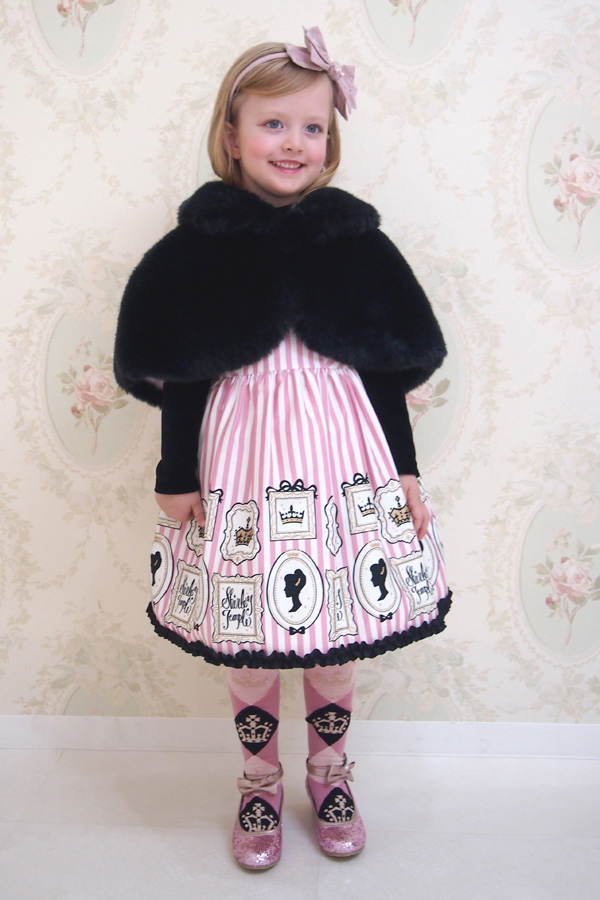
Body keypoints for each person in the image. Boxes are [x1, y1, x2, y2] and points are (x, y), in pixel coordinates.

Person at [114, 26, 451, 870]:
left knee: (334, 630)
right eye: (273, 124)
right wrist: (176, 474)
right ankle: (258, 780)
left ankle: (329, 772)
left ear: (330, 140)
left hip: (342, 456)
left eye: (312, 127)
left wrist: (405, 471)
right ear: (232, 134)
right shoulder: (201, 247)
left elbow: (384, 368)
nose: (294, 143)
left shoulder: (353, 241)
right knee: (252, 627)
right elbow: (184, 371)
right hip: (246, 459)